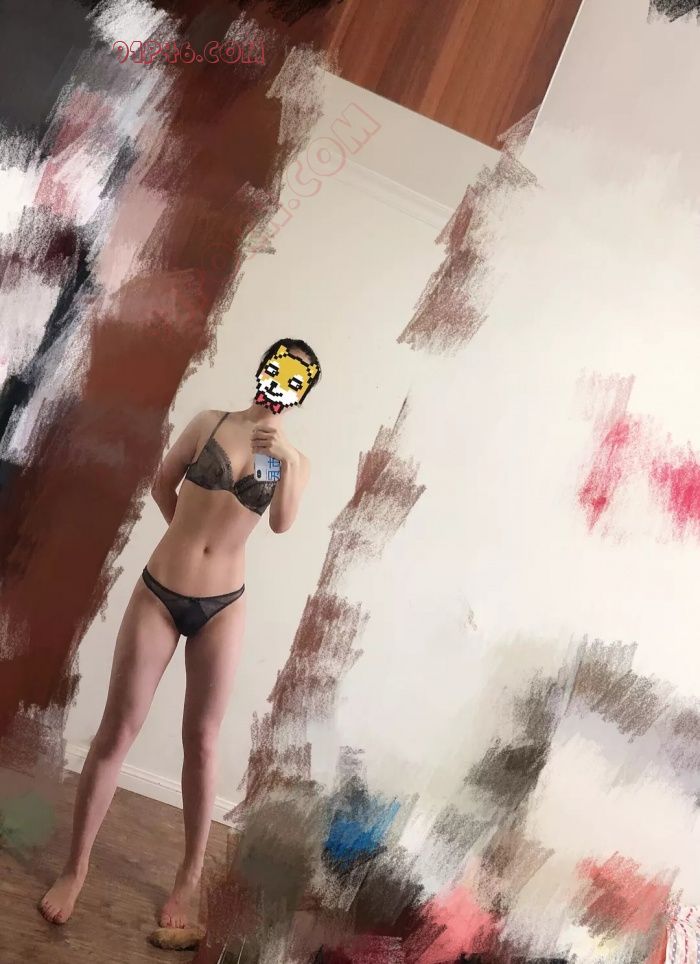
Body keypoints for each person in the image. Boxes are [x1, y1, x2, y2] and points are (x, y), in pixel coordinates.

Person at [39, 338, 321, 927]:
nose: (282, 383)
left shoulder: (280, 459)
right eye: (278, 369)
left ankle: (189, 878)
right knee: (118, 728)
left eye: (296, 380)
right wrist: (184, 544)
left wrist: (287, 460)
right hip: (159, 594)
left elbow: (281, 522)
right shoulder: (210, 423)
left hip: (223, 607)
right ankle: (76, 867)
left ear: (303, 393)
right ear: (263, 367)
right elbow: (161, 484)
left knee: (203, 739)